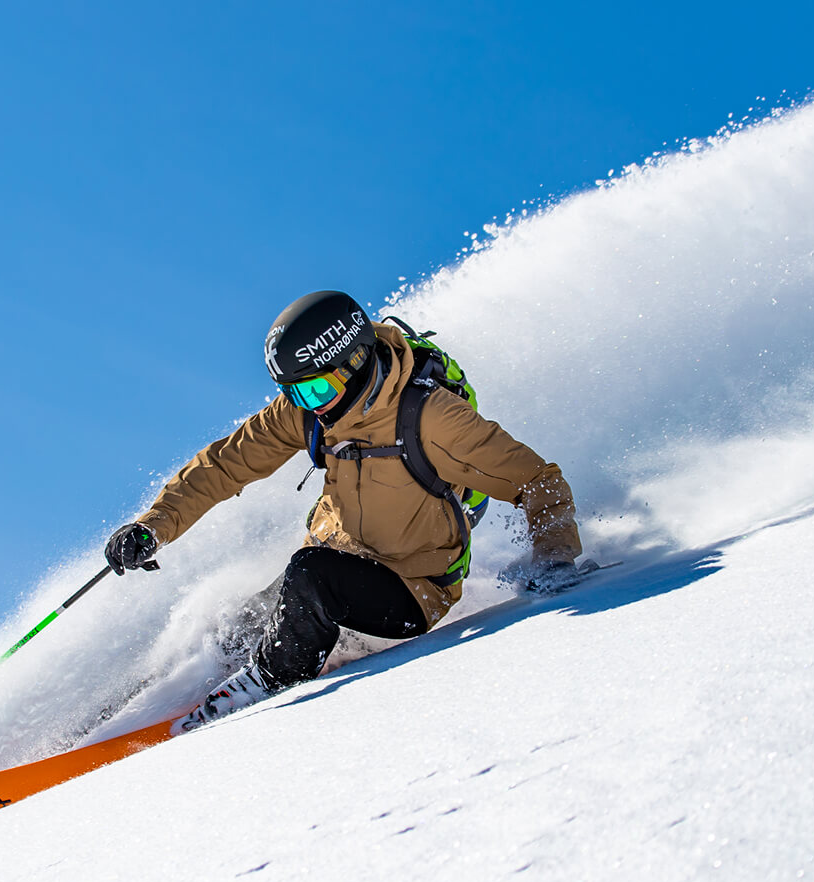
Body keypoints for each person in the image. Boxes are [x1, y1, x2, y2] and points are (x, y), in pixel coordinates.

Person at [105, 290, 585, 731]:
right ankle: (122, 718)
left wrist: (553, 557)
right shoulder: (310, 410)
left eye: (312, 391)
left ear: (354, 364)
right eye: (292, 393)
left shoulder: (432, 418)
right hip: (337, 561)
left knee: (310, 577)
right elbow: (225, 465)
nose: (304, 407)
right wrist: (153, 525)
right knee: (232, 628)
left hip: (409, 591)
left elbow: (537, 481)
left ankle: (265, 689)